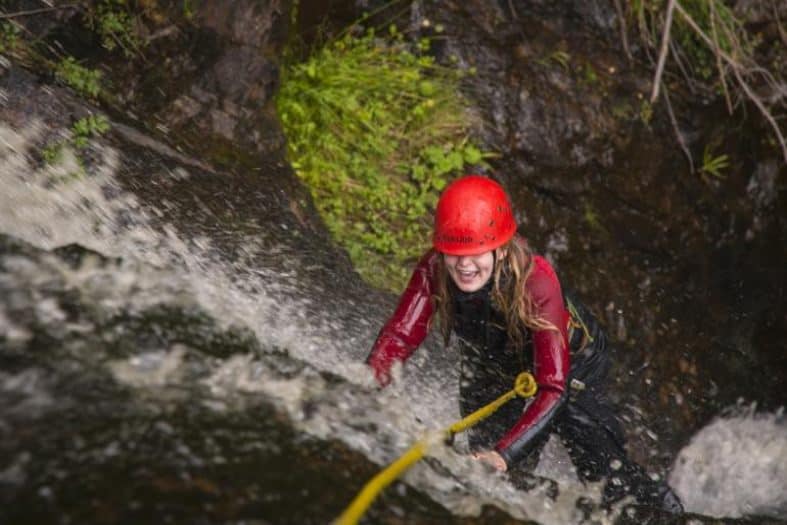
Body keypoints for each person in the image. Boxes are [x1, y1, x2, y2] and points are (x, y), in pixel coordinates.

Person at [365, 174, 683, 512]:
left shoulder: (536, 282)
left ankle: (661, 508)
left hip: (572, 367)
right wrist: (367, 385)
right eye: (453, 253)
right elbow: (400, 335)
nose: (464, 265)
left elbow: (551, 387)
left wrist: (505, 456)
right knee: (483, 469)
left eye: (477, 253)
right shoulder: (434, 268)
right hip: (496, 364)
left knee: (595, 461)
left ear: (501, 249)